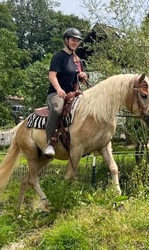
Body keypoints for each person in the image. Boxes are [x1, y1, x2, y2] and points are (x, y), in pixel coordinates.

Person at [43, 27, 88, 157]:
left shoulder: (78, 60)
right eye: (73, 40)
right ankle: (49, 144)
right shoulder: (58, 56)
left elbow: (78, 77)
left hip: (74, 94)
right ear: (66, 40)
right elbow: (52, 76)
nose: (75, 43)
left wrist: (82, 76)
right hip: (57, 93)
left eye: (78, 41)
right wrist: (59, 89)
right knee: (57, 109)